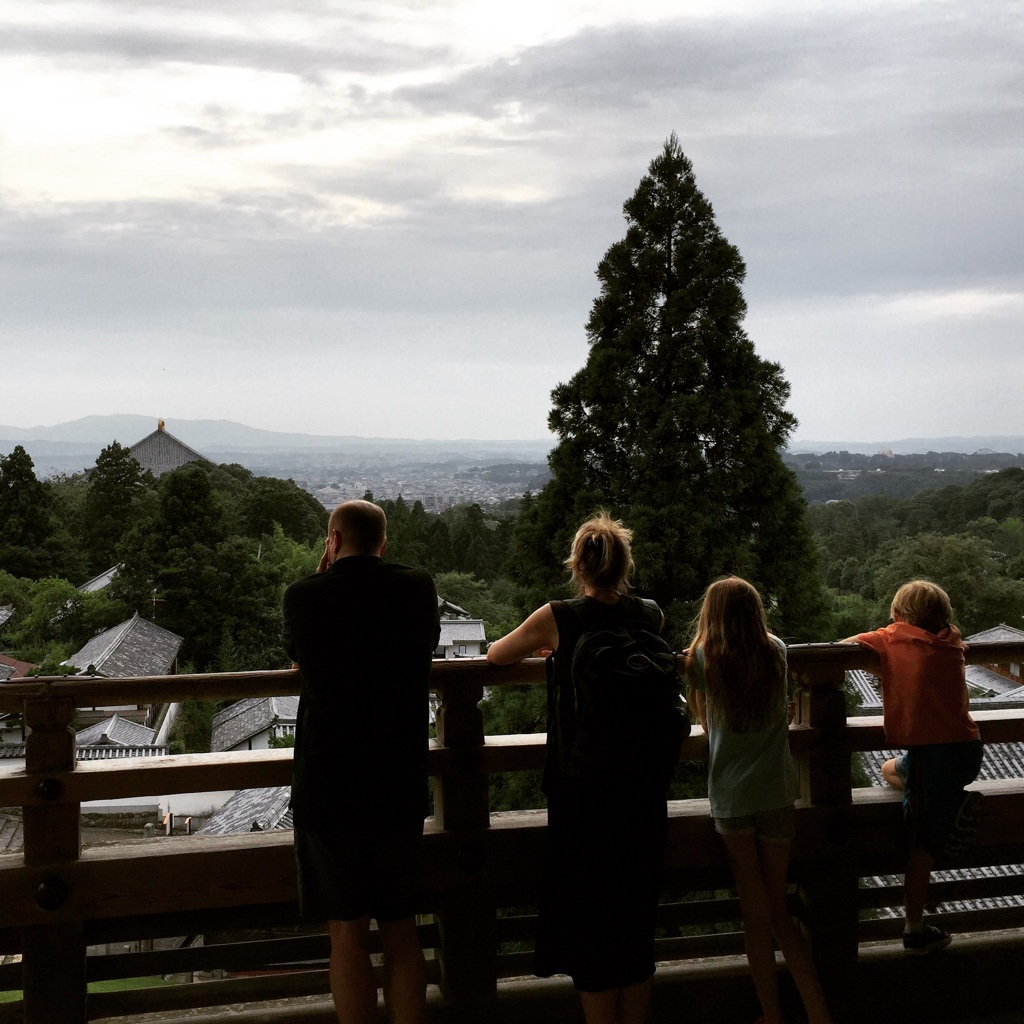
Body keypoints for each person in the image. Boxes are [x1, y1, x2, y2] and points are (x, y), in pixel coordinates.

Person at [486, 512, 675, 1024]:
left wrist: (552, 649)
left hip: (583, 790)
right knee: (635, 915)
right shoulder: (650, 615)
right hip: (643, 787)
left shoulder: (559, 617)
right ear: (625, 565)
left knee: (592, 918)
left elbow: (498, 653)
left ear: (578, 565)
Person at [282, 499, 440, 1024]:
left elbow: (300, 659)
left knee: (346, 932)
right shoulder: (416, 586)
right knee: (400, 924)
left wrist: (322, 573)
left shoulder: (304, 596)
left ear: (332, 541)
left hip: (328, 783)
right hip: (398, 777)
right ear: (384, 542)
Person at [686, 576, 832, 1024]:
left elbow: (704, 719)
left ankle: (771, 1013)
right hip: (776, 791)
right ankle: (818, 1012)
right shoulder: (777, 651)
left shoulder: (701, 657)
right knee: (780, 912)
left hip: (731, 797)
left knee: (756, 915)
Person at [846, 579, 983, 955]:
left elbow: (843, 648)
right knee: (892, 769)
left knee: (919, 846)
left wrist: (883, 658)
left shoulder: (894, 638)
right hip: (968, 750)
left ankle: (914, 927)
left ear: (899, 615)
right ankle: (949, 804)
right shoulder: (952, 640)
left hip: (931, 754)